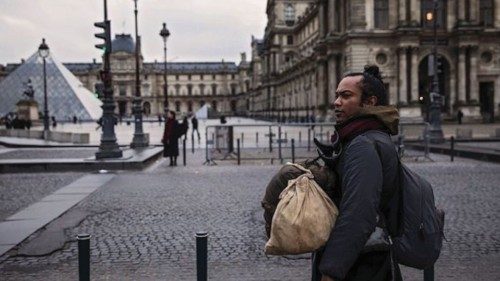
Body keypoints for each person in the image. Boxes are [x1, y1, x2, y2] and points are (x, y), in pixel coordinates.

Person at [316, 65, 402, 281]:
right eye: (337, 96)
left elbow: (359, 212)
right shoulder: (368, 135)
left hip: (361, 263)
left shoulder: (362, 144)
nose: (337, 102)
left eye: (346, 96)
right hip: (367, 255)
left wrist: (331, 271)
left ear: (370, 102)